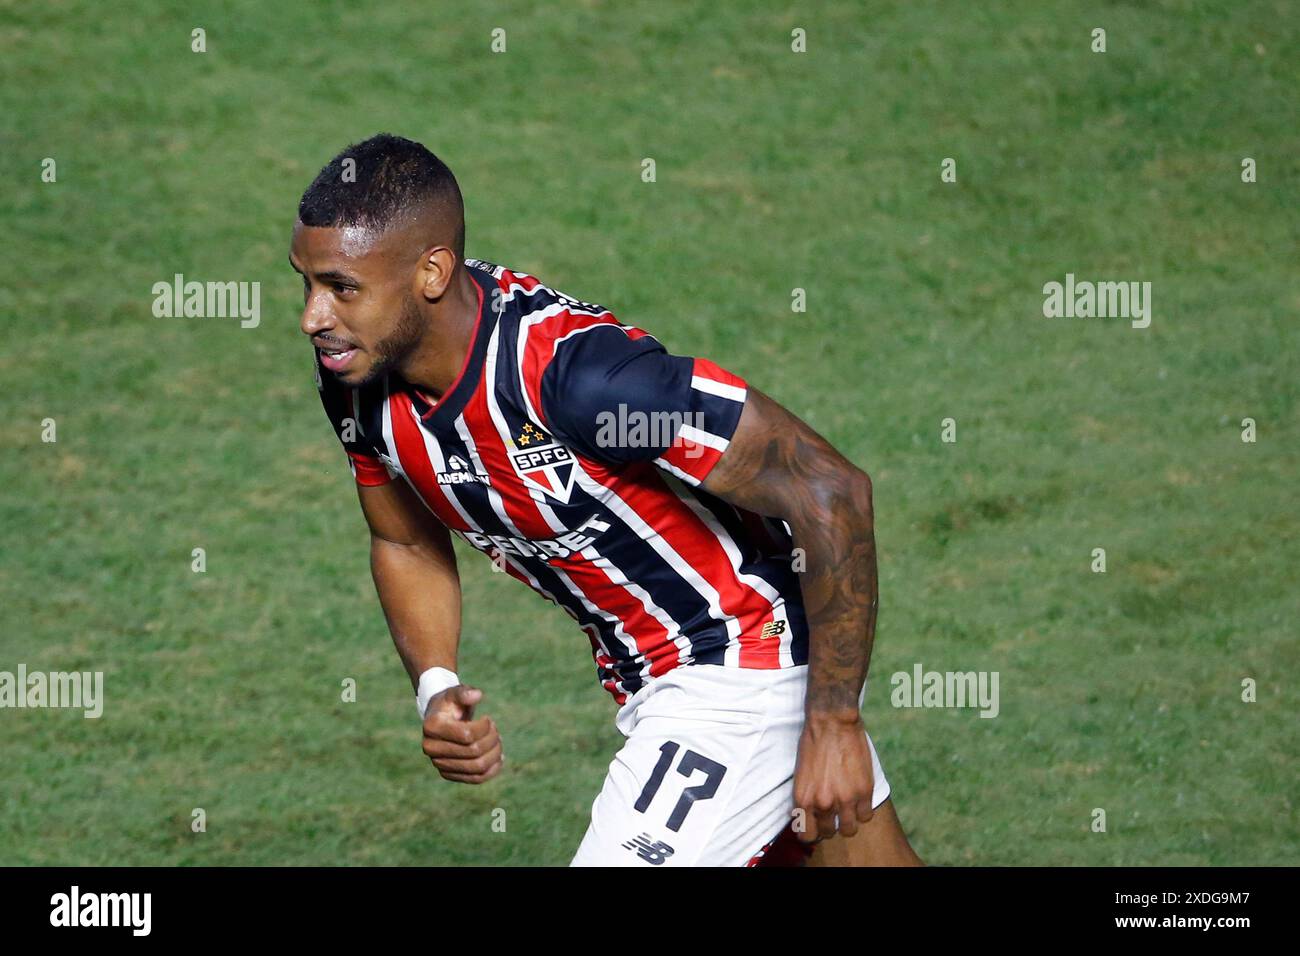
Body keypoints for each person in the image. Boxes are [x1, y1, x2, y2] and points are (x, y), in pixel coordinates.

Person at [290, 133, 922, 866]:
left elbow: (828, 488)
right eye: (305, 282)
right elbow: (402, 539)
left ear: (431, 271)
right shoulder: (357, 377)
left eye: (341, 288)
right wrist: (435, 682)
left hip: (742, 664)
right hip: (655, 678)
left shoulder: (586, 384)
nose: (312, 316)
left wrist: (833, 720)